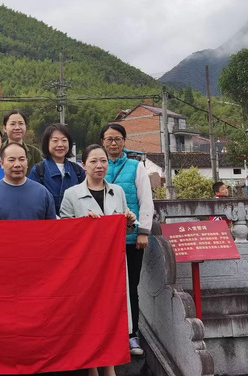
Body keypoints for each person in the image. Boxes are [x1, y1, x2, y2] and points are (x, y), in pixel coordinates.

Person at [60, 144, 137, 376]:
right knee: (89, 316)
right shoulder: (71, 194)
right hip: (85, 268)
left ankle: (110, 367)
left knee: (111, 315)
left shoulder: (117, 192)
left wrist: (130, 222)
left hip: (112, 266)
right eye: (93, 161)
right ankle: (91, 368)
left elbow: (122, 231)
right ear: (83, 165)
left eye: (103, 161)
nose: (99, 165)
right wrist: (83, 225)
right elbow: (63, 232)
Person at [100, 123, 153, 357]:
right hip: (102, 243)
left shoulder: (136, 167)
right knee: (104, 289)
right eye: (109, 139)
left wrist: (143, 231)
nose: (113, 143)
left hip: (131, 240)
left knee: (130, 287)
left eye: (117, 139)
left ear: (124, 141)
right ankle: (106, 333)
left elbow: (146, 201)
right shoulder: (96, 165)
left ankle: (132, 334)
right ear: (102, 142)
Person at [0, 142, 56, 221]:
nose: (17, 164)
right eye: (11, 160)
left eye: (21, 159)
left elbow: (52, 227)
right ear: (2, 164)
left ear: (27, 162)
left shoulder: (43, 194)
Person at [28, 123, 85, 216]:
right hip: (48, 222)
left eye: (64, 140)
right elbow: (33, 202)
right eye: (55, 141)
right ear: (47, 143)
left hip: (74, 222)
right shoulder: (38, 171)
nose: (60, 145)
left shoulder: (78, 170)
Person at [1, 109, 42, 176]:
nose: (17, 128)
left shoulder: (35, 153)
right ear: (5, 128)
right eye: (12, 124)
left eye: (21, 123)